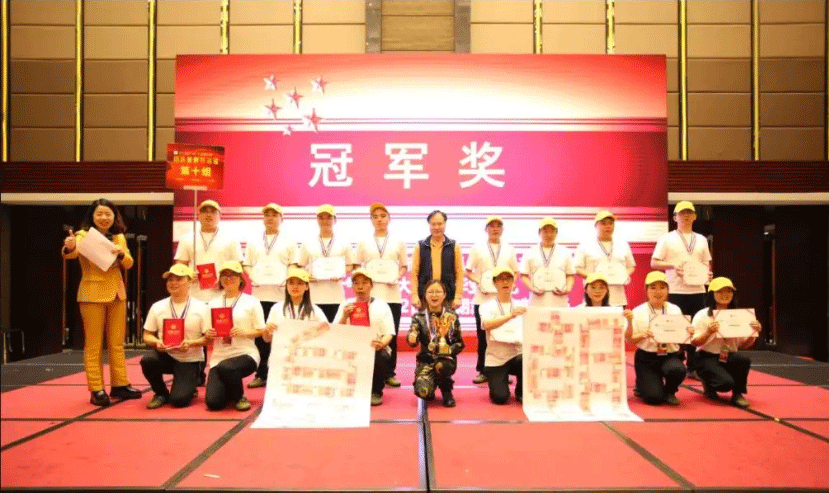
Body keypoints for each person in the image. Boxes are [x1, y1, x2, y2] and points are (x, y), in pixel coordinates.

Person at [62, 198, 142, 406]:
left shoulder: (119, 237)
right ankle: (96, 388)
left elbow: (129, 263)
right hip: (92, 294)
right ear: (92, 216)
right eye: (99, 214)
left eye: (108, 214)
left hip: (117, 294)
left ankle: (120, 384)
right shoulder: (82, 235)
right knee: (94, 345)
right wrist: (69, 247)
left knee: (117, 343)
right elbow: (71, 254)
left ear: (115, 216)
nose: (104, 218)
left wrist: (122, 253)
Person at [174, 199, 243, 385]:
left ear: (219, 215)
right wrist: (188, 274)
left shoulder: (230, 239)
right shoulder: (188, 238)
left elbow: (238, 265)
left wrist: (223, 279)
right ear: (198, 215)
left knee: (223, 334)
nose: (208, 215)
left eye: (213, 211)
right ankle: (196, 373)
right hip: (194, 294)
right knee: (196, 334)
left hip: (221, 294)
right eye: (204, 211)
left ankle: (223, 371)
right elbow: (179, 264)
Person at [651, 201, 713, 379]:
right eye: (682, 213)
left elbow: (706, 263)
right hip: (675, 290)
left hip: (698, 290)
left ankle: (693, 366)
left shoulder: (701, 239)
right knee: (675, 328)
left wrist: (707, 274)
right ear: (675, 217)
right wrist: (672, 266)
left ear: (695, 216)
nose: (686, 216)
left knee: (696, 328)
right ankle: (674, 363)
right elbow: (654, 262)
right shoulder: (666, 238)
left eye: (689, 213)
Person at [243, 203, 296, 389]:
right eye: (267, 214)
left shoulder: (289, 241)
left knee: (283, 335)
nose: (270, 218)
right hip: (259, 295)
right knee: (261, 336)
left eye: (274, 215)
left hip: (281, 296)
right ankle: (262, 374)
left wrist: (286, 278)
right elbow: (247, 264)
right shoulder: (254, 241)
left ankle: (283, 374)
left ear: (281, 218)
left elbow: (293, 264)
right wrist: (252, 277)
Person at [354, 203, 408, 388]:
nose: (379, 220)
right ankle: (367, 370)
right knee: (367, 333)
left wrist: (397, 277)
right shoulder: (364, 242)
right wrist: (364, 280)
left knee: (390, 334)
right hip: (370, 296)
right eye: (375, 217)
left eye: (382, 216)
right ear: (371, 220)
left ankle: (389, 373)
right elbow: (357, 265)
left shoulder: (398, 242)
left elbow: (404, 266)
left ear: (389, 219)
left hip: (392, 294)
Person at [140, 264, 208, 409]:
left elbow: (208, 339)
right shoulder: (157, 306)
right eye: (170, 279)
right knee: (148, 360)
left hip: (189, 358)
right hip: (166, 355)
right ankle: (161, 393)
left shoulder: (201, 307)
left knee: (179, 401)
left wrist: (190, 343)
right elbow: (147, 335)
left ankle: (191, 382)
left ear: (190, 282)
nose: (173, 283)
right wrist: (157, 342)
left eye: (179, 279)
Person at [204, 261, 265, 411]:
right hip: (219, 357)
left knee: (227, 367)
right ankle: (230, 388)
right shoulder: (212, 304)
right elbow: (207, 337)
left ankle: (239, 397)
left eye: (233, 275)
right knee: (214, 403)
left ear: (240, 279)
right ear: (220, 279)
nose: (228, 279)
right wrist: (209, 334)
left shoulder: (252, 301)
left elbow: (261, 330)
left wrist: (245, 333)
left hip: (245, 354)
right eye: (225, 275)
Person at [691, 277, 760, 408]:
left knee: (743, 359)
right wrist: (708, 332)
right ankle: (708, 383)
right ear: (712, 294)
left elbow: (744, 345)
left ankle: (738, 394)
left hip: (729, 355)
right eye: (720, 291)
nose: (725, 295)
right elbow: (694, 343)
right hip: (706, 356)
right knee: (725, 384)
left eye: (728, 291)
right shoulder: (702, 315)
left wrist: (753, 333)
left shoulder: (740, 315)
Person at [466, 216, 519, 385]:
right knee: (483, 337)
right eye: (492, 226)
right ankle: (483, 370)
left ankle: (504, 370)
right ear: (486, 229)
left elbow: (515, 272)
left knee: (505, 336)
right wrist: (479, 282)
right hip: (483, 298)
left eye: (498, 226)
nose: (495, 229)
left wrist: (510, 285)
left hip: (503, 300)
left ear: (502, 230)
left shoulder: (509, 249)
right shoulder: (477, 248)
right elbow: (468, 271)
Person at [627, 271, 690, 406]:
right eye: (653, 287)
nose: (658, 292)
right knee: (654, 398)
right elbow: (630, 340)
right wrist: (642, 335)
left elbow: (681, 336)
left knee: (677, 370)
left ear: (668, 290)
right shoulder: (638, 311)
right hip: (647, 357)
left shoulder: (675, 309)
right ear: (646, 290)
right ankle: (641, 384)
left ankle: (670, 391)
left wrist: (687, 332)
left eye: (662, 287)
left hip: (669, 355)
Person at [334, 269, 395, 406]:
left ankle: (375, 391)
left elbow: (389, 333)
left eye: (364, 283)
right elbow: (336, 330)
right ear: (352, 286)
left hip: (374, 348)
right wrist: (344, 316)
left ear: (371, 285)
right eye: (356, 283)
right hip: (351, 348)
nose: (360, 287)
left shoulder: (382, 305)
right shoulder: (345, 305)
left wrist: (382, 343)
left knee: (381, 356)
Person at [407, 279, 464, 407]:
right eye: (430, 292)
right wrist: (412, 338)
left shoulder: (451, 317)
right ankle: (431, 384)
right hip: (426, 361)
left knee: (442, 366)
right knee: (423, 392)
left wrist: (448, 349)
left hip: (446, 360)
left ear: (444, 295)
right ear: (425, 295)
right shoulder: (418, 317)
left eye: (438, 292)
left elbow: (460, 344)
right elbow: (412, 340)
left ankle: (446, 390)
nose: (434, 295)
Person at [294, 204, 354, 322]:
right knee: (314, 330)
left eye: (329, 217)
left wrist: (341, 274)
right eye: (321, 218)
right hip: (313, 296)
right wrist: (306, 276)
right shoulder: (308, 242)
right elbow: (300, 266)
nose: (325, 221)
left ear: (335, 220)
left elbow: (350, 265)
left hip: (336, 295)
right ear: (317, 220)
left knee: (335, 329)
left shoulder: (344, 242)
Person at [480, 267, 525, 405]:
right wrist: (510, 316)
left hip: (517, 355)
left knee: (528, 358)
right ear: (494, 283)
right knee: (500, 398)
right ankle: (500, 380)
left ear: (513, 282)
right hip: (496, 359)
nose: (505, 282)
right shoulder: (486, 306)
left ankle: (521, 391)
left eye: (509, 279)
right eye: (501, 279)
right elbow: (486, 324)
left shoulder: (522, 306)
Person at [574, 210, 636, 307]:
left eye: (611, 223)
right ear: (596, 225)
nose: (608, 226)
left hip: (618, 299)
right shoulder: (585, 245)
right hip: (594, 300)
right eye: (603, 223)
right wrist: (595, 278)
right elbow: (577, 268)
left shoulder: (623, 244)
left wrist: (623, 274)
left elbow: (631, 266)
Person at [410, 210, 464, 312]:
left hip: (447, 297)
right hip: (425, 297)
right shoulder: (420, 246)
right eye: (433, 224)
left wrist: (458, 297)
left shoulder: (453, 246)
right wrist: (414, 295)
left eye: (440, 224)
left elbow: (459, 273)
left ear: (445, 224)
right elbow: (414, 273)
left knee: (447, 322)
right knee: (424, 322)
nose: (436, 227)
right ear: (429, 225)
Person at [262, 266, 327, 343]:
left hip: (306, 349)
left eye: (300, 283)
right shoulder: (276, 308)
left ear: (307, 286)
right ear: (286, 286)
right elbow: (266, 339)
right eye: (291, 283)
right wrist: (267, 331)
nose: (295, 287)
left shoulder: (315, 311)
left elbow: (326, 333)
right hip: (282, 348)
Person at [520, 217, 575, 308]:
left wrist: (567, 289)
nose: (549, 235)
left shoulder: (565, 252)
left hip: (559, 299)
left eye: (552, 231)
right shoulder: (530, 252)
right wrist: (533, 289)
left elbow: (570, 275)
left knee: (560, 317)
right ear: (539, 233)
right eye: (545, 231)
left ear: (556, 233)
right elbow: (524, 275)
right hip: (537, 299)